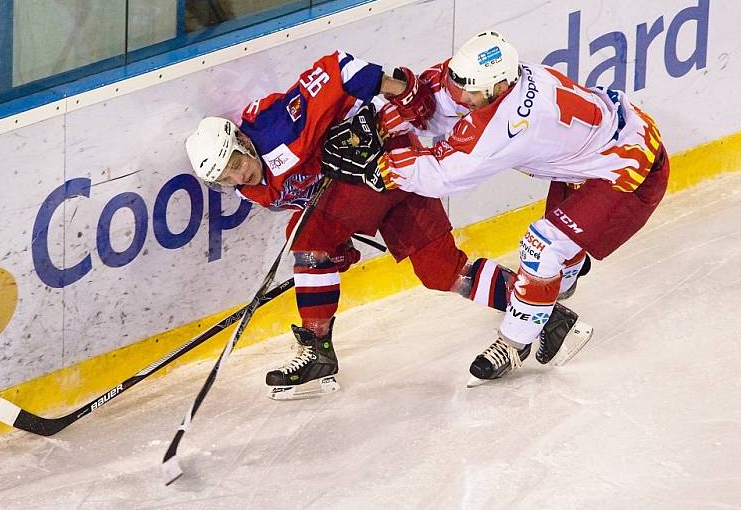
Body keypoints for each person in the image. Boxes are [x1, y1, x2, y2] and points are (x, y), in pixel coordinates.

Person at [185, 50, 583, 399]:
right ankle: (545, 314)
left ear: (242, 142)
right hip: (378, 188)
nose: (237, 177)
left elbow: (338, 69)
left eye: (235, 164)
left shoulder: (277, 128)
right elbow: (317, 203)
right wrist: (334, 252)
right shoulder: (249, 188)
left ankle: (317, 351)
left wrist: (399, 91)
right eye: (224, 177)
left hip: (389, 162)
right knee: (442, 272)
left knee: (307, 237)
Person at [330, 31, 668, 383]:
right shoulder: (499, 80)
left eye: (471, 91)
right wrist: (386, 118)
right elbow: (446, 99)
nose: (464, 96)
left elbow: (443, 174)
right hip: (600, 153)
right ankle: (563, 276)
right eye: (463, 85)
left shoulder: (509, 125)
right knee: (558, 274)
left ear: (499, 87)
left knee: (542, 247)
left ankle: (513, 344)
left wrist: (380, 168)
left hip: (630, 172)